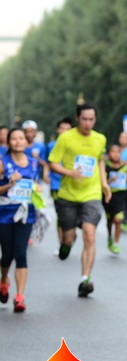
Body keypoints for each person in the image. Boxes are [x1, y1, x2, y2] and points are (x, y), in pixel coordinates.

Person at [47, 103, 111, 297]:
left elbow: (99, 160)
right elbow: (52, 162)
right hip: (68, 195)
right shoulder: (65, 138)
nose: (88, 123)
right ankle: (66, 244)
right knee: (68, 237)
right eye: (84, 119)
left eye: (91, 119)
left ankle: (85, 279)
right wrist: (70, 173)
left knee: (90, 235)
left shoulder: (100, 139)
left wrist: (104, 184)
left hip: (91, 194)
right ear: (77, 118)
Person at [0, 128, 39, 312]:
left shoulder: (33, 163)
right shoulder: (2, 162)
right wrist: (10, 184)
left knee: (21, 254)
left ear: (26, 141)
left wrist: (37, 188)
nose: (18, 141)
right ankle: (3, 280)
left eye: (21, 138)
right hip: (5, 213)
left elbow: (34, 184)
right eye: (14, 139)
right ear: (9, 142)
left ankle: (20, 296)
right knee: (7, 255)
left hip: (26, 213)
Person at [46, 117, 74, 248]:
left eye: (68, 129)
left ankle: (69, 234)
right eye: (62, 128)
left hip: (73, 185)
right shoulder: (51, 146)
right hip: (56, 184)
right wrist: (46, 174)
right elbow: (48, 163)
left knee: (72, 215)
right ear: (58, 130)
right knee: (61, 214)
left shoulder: (76, 145)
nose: (64, 131)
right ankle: (62, 243)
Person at [104, 143, 127, 255]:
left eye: (118, 152)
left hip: (121, 195)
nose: (116, 155)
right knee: (110, 220)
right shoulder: (105, 166)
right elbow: (102, 182)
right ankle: (109, 237)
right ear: (109, 154)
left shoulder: (124, 167)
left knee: (118, 219)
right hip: (108, 196)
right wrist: (109, 181)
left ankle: (116, 243)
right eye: (113, 152)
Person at [21, 120, 50, 185]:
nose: (28, 134)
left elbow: (45, 164)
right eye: (26, 131)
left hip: (35, 180)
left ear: (35, 131)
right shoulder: (20, 146)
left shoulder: (40, 146)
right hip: (20, 179)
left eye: (31, 131)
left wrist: (45, 176)